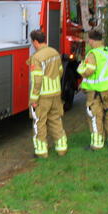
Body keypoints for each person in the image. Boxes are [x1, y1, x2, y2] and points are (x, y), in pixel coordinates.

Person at [77, 29, 108, 151]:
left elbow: (88, 71)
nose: (89, 42)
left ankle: (97, 144)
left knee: (95, 116)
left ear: (92, 41)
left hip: (96, 92)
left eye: (89, 40)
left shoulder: (93, 54)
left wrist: (80, 68)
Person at [28, 29, 68, 158]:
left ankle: (41, 152)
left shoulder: (36, 58)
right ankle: (62, 148)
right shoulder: (55, 52)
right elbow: (60, 71)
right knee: (56, 120)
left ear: (35, 42)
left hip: (43, 96)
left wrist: (34, 99)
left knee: (39, 122)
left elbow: (37, 80)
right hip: (56, 94)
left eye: (32, 42)